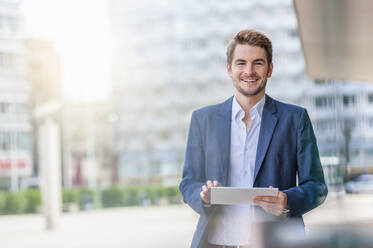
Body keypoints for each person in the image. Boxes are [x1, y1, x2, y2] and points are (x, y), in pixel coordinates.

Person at [179, 29, 328, 248]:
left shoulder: (295, 119)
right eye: (241, 63)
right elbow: (188, 183)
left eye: (258, 63)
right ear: (229, 69)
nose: (249, 71)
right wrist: (203, 196)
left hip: (276, 242)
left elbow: (317, 186)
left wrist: (287, 201)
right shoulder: (203, 120)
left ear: (270, 69)